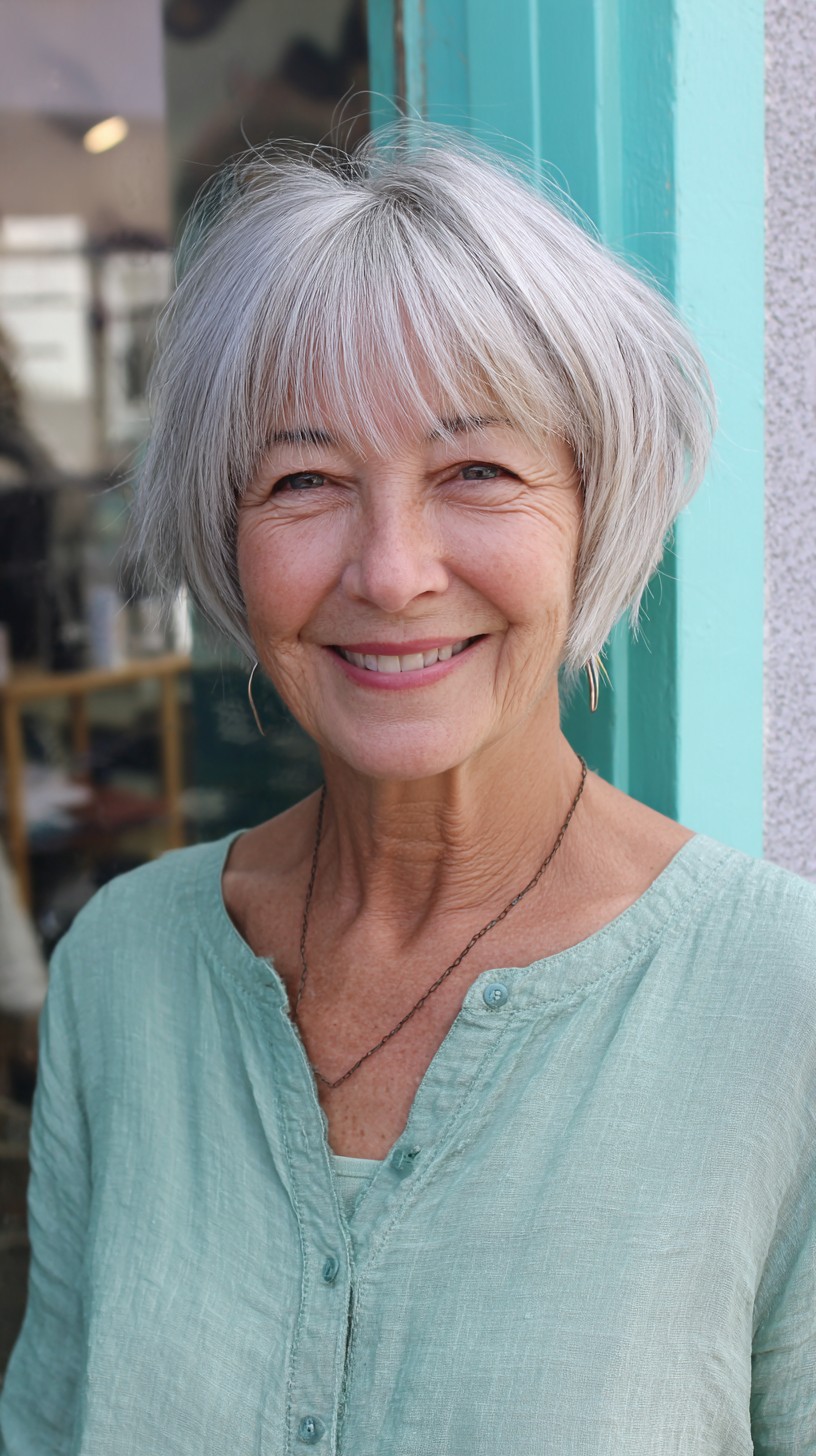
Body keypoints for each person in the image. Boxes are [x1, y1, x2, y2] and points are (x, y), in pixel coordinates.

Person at [1, 125, 813, 1455]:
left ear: (593, 508)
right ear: (229, 533)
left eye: (476, 471)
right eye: (306, 480)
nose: (390, 572)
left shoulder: (784, 1002)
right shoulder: (124, 974)